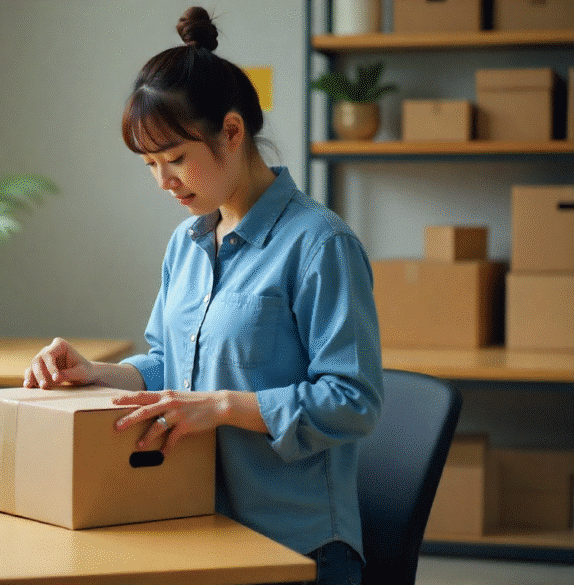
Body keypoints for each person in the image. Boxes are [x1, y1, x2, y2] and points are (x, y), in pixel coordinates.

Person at [23, 7, 383, 585]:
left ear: (232, 133)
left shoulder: (320, 245)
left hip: (299, 547)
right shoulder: (186, 244)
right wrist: (95, 374)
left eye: (175, 159)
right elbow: (171, 363)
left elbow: (352, 399)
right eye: (150, 164)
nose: (163, 182)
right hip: (197, 525)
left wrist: (221, 407)